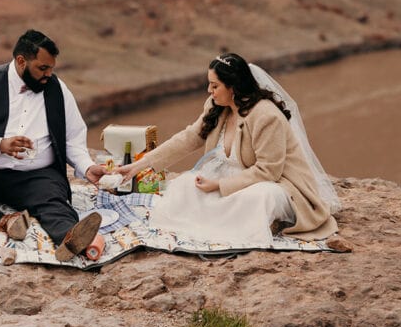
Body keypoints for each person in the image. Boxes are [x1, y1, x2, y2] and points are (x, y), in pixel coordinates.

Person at [116, 52, 342, 246]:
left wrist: (220, 185)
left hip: (276, 185)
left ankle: (256, 222)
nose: (209, 90)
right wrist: (138, 166)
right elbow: (188, 138)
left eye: (215, 86)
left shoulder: (266, 116)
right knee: (185, 186)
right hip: (231, 178)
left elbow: (268, 171)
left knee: (258, 197)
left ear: (233, 87)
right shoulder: (217, 107)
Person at [0, 30, 107, 261]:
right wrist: (0, 145)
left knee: (55, 204)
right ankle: (3, 221)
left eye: (52, 68)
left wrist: (87, 166)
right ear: (21, 61)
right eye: (43, 68)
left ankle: (72, 240)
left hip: (36, 177)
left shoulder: (58, 89)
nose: (48, 75)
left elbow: (72, 139)